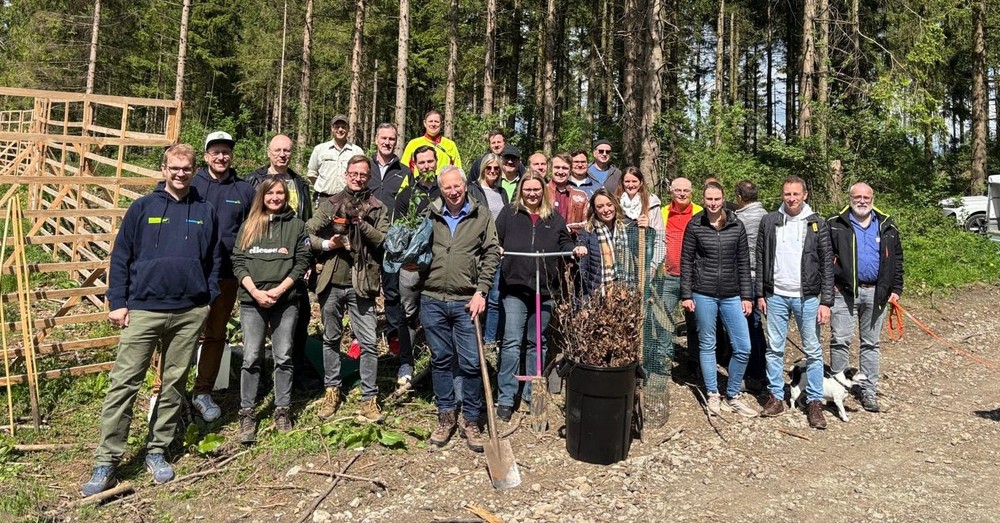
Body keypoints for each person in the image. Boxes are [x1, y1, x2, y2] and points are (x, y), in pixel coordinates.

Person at [82, 144, 220, 495]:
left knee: (174, 384)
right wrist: (117, 301)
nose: (180, 173)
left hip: (188, 312)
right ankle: (107, 460)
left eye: (186, 168)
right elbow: (121, 256)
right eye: (174, 167)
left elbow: (215, 258)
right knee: (124, 383)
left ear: (193, 170)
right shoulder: (142, 208)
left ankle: (157, 450)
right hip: (143, 309)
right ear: (164, 168)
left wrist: (207, 298)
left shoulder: (204, 210)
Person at [494, 172, 586, 421]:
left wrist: (573, 250)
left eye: (536, 189)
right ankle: (506, 397)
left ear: (543, 192)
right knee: (512, 342)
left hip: (545, 289)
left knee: (538, 342)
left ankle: (531, 392)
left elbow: (564, 243)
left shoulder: (553, 218)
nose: (532, 193)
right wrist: (499, 250)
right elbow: (495, 240)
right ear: (521, 190)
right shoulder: (509, 214)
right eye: (528, 189)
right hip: (515, 287)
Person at [421, 166, 500, 452]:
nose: (453, 192)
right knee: (440, 359)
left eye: (457, 186)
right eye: (447, 188)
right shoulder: (430, 213)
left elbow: (492, 252)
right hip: (431, 298)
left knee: (470, 363)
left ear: (465, 186)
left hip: (467, 300)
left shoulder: (480, 214)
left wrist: (482, 291)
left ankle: (471, 419)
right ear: (440, 190)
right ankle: (445, 416)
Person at [307, 155, 389, 422]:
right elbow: (307, 232)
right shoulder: (331, 203)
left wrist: (361, 225)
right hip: (331, 280)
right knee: (331, 338)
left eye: (363, 175)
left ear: (369, 177)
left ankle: (369, 398)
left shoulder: (377, 207)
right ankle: (332, 391)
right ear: (346, 174)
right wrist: (329, 244)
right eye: (354, 174)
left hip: (362, 283)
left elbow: (383, 241)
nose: (358, 178)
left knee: (367, 342)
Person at [231, 177, 311, 443]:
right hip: (252, 300)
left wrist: (279, 291)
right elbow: (238, 261)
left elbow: (302, 262)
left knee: (283, 355)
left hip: (285, 301)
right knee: (251, 356)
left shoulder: (297, 226)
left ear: (286, 196)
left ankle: (282, 409)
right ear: (262, 196)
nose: (275, 197)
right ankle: (247, 412)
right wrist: (255, 292)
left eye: (280, 193)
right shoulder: (249, 225)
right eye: (270, 193)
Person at [186, 131, 255, 421]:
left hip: (227, 274)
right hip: (190, 273)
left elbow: (253, 229)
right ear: (206, 156)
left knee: (215, 334)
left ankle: (203, 391)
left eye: (226, 152)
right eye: (215, 152)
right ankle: (165, 391)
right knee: (182, 333)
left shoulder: (244, 190)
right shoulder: (191, 185)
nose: (221, 157)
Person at [756, 176, 834, 429]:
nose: (791, 199)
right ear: (782, 195)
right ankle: (776, 396)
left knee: (813, 350)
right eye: (787, 194)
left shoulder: (816, 224)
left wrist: (826, 302)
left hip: (808, 297)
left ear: (805, 195)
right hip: (775, 295)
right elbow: (760, 258)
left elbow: (826, 263)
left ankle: (814, 401)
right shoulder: (769, 221)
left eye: (796, 194)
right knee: (774, 349)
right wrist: (760, 294)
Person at [679, 181, 757, 418]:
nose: (713, 203)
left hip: (732, 293)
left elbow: (744, 262)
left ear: (724, 199)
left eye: (717, 199)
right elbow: (687, 261)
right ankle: (713, 393)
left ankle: (732, 393)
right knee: (707, 344)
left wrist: (747, 295)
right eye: (709, 199)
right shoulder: (695, 225)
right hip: (703, 292)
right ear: (703, 200)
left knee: (743, 347)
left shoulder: (736, 224)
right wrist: (686, 294)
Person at [247, 134, 316, 391]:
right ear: (269, 152)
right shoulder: (254, 180)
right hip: (262, 261)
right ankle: (261, 377)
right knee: (258, 323)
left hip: (294, 261)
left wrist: (308, 259)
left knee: (299, 317)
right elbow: (248, 222)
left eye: (287, 150)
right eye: (277, 150)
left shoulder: (299, 183)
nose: (282, 155)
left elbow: (307, 222)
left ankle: (294, 371)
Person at [828, 182, 904, 413]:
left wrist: (896, 288)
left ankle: (868, 390)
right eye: (857, 196)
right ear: (849, 198)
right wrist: (830, 285)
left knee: (871, 344)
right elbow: (825, 257)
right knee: (840, 340)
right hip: (844, 293)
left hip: (877, 292)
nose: (862, 200)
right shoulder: (835, 224)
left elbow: (897, 260)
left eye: (866, 197)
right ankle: (837, 387)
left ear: (873, 198)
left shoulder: (886, 225)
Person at [391, 145, 440, 384]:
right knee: (408, 313)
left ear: (436, 162)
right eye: (422, 163)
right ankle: (405, 363)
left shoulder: (446, 193)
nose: (427, 166)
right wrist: (406, 259)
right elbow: (398, 233)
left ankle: (437, 363)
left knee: (435, 314)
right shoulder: (406, 195)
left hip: (439, 267)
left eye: (430, 161)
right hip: (411, 265)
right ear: (415, 166)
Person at [369, 123, 414, 365]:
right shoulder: (366, 167)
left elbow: (408, 209)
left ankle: (394, 336)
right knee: (362, 290)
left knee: (392, 291)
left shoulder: (404, 172)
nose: (387, 142)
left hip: (392, 242)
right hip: (366, 238)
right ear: (376, 139)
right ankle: (359, 338)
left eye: (392, 139)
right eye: (384, 138)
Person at [661, 177, 703, 363]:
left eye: (686, 190)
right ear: (671, 191)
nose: (682, 193)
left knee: (696, 324)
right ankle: (663, 360)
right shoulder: (662, 212)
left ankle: (696, 362)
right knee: (664, 321)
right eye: (678, 190)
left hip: (694, 278)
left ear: (692, 192)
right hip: (668, 276)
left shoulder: (700, 213)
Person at [470, 153, 510, 348]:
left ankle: (489, 340)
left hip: (496, 249)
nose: (493, 172)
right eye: (489, 168)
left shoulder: (502, 192)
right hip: (476, 249)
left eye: (496, 169)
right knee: (475, 294)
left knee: (494, 296)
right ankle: (471, 336)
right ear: (483, 169)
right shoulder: (473, 190)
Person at [733, 180, 767, 393]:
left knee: (749, 327)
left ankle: (755, 373)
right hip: (762, 277)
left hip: (747, 278)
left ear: (739, 197)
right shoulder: (768, 216)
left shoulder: (740, 219)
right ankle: (759, 370)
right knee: (756, 325)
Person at [578, 188, 631, 295]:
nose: (606, 210)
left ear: (615, 205)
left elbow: (644, 251)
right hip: (597, 295)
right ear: (594, 210)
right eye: (600, 206)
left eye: (609, 204)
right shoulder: (587, 232)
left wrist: (646, 228)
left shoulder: (628, 228)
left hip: (624, 294)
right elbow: (582, 269)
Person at [307, 114, 365, 200]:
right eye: (337, 127)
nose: (340, 130)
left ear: (348, 128)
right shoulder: (320, 149)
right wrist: (322, 186)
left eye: (343, 127)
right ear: (332, 128)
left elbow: (362, 175)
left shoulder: (357, 151)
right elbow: (311, 173)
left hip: (348, 199)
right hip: (324, 199)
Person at [616, 166, 665, 263]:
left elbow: (660, 236)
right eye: (627, 181)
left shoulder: (652, 202)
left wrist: (649, 226)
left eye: (634, 181)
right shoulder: (615, 202)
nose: (630, 185)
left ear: (641, 182)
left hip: (645, 256)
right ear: (622, 182)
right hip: (621, 257)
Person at [401, 110, 462, 175]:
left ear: (441, 124)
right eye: (430, 121)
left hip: (443, 184)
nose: (433, 124)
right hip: (417, 183)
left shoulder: (450, 145)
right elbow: (403, 168)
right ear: (425, 123)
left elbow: (458, 169)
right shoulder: (413, 144)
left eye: (436, 122)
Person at [548, 153, 589, 234]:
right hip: (546, 241)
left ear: (570, 171)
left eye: (565, 168)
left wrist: (570, 228)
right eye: (557, 167)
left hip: (572, 241)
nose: (560, 171)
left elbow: (588, 222)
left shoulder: (581, 196)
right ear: (551, 169)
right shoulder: (542, 192)